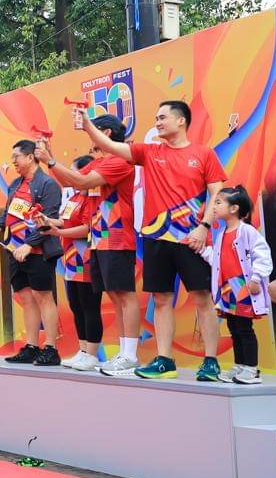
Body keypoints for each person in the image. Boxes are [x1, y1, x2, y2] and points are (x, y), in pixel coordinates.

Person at [83, 100, 226, 380]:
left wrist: (204, 227)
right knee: (161, 299)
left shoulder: (203, 154)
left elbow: (217, 193)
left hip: (190, 238)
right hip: (156, 237)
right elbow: (112, 147)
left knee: (202, 297)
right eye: (156, 118)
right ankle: (164, 360)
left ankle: (211, 361)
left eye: (162, 118)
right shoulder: (149, 152)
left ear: (181, 120)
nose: (158, 122)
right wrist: (88, 125)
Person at [36, 113, 141, 376]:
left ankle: (130, 355)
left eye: (94, 140)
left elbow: (80, 181)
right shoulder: (101, 163)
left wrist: (50, 160)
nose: (91, 148)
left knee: (125, 296)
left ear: (105, 133)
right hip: (99, 241)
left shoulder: (119, 161)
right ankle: (122, 352)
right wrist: (51, 158)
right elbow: (71, 180)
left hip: (117, 238)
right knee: (115, 296)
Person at [0, 139, 64, 366]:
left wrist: (29, 245)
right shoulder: (15, 184)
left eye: (16, 157)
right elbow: (10, 212)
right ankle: (31, 346)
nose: (13, 162)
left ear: (30, 157)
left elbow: (48, 219)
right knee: (26, 298)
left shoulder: (47, 185)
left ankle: (51, 347)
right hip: (15, 250)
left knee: (43, 297)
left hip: (37, 251)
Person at [36, 155, 103, 371]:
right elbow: (64, 221)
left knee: (89, 305)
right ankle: (83, 350)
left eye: (75, 172)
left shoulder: (94, 198)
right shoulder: (74, 199)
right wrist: (46, 221)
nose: (71, 177)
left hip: (87, 258)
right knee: (76, 305)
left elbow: (87, 228)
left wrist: (59, 231)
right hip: (70, 259)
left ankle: (92, 354)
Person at [202, 187, 272, 384]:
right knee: (234, 327)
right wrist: (201, 250)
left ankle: (252, 369)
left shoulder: (246, 231)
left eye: (218, 203)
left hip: (243, 287)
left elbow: (262, 254)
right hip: (227, 289)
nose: (214, 207)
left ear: (234, 208)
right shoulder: (222, 233)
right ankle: (240, 366)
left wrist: (257, 278)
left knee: (244, 328)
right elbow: (216, 258)